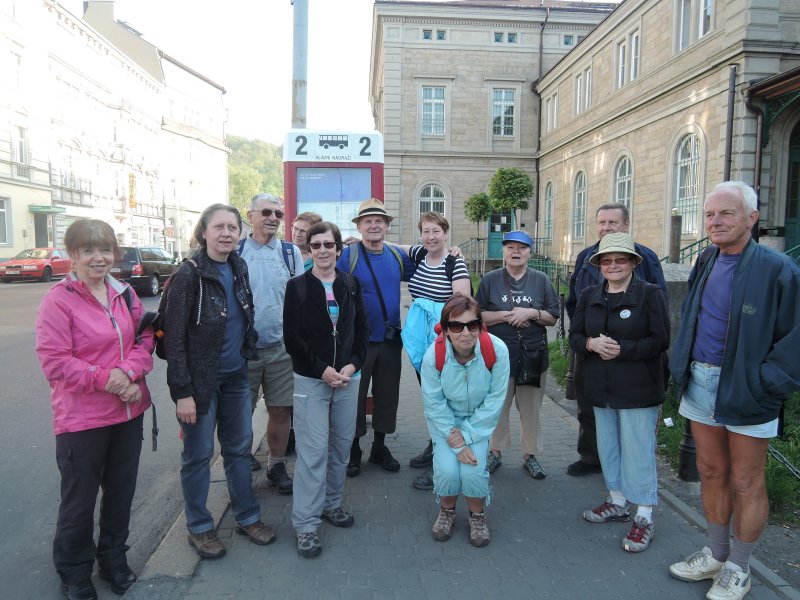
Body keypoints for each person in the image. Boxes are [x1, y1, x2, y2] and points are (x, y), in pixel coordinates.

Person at [668, 181, 800, 600]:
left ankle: (740, 568)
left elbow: (795, 338)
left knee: (746, 480)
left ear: (751, 218)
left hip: (748, 389)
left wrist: (767, 384)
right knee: (710, 471)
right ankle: (716, 553)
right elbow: (693, 316)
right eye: (709, 214)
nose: (715, 221)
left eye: (726, 213)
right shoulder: (707, 258)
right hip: (700, 382)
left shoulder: (778, 269)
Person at [35, 219, 154, 600]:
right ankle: (74, 572)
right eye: (88, 250)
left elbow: (147, 335)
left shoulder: (124, 294)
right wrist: (108, 379)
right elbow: (55, 362)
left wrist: (129, 371)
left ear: (114, 254)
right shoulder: (59, 300)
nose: (98, 258)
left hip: (127, 414)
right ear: (72, 255)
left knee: (120, 494)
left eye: (105, 250)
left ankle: (114, 561)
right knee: (79, 500)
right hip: (81, 420)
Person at [166, 203, 275, 560]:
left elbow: (245, 312)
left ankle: (246, 516)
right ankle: (199, 528)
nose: (227, 233)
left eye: (232, 227)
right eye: (219, 227)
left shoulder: (238, 265)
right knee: (198, 456)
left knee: (238, 450)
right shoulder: (189, 274)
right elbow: (174, 339)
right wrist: (182, 392)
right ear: (204, 232)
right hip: (200, 384)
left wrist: (247, 349)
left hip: (236, 377)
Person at [569, 232, 669, 553]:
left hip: (638, 388)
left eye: (620, 259)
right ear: (599, 265)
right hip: (600, 387)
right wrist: (590, 344)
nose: (613, 265)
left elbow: (660, 340)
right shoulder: (588, 295)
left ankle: (643, 517)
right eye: (607, 260)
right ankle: (617, 502)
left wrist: (623, 349)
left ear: (633, 263)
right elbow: (575, 336)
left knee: (638, 451)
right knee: (608, 447)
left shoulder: (650, 295)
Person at [283, 221, 369, 558]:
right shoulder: (298, 287)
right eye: (316, 245)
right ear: (310, 249)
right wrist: (322, 370)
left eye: (328, 245)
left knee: (340, 448)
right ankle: (306, 524)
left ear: (338, 249)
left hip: (349, 379)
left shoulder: (350, 283)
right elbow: (293, 338)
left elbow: (362, 329)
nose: (322, 251)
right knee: (313, 453)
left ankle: (331, 505)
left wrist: (351, 365)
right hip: (311, 380)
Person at [565, 203, 667, 477]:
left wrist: (623, 341)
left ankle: (632, 481)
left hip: (633, 356)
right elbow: (575, 300)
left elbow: (659, 312)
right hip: (591, 347)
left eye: (612, 222)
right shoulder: (587, 256)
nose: (606, 227)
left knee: (630, 422)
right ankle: (591, 457)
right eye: (602, 223)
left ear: (626, 224)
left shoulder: (647, 258)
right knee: (589, 406)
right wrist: (588, 335)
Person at [421, 295, 509, 547]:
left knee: (473, 470)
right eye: (457, 326)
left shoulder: (497, 351)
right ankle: (447, 511)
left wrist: (467, 436)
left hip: (479, 421)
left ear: (481, 326)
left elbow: (495, 400)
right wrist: (457, 443)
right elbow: (434, 403)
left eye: (473, 325)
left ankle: (477, 516)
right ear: (446, 330)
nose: (466, 333)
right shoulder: (433, 357)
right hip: (445, 422)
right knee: (447, 470)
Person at [337, 198, 416, 476]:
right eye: (367, 221)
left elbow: (428, 260)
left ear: (387, 226)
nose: (374, 225)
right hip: (358, 342)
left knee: (388, 394)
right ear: (359, 226)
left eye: (379, 221)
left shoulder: (396, 256)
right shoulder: (349, 256)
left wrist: (452, 252)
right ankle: (355, 448)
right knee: (355, 396)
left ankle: (379, 447)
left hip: (391, 340)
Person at [476, 230, 559, 480]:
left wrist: (531, 313)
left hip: (532, 355)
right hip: (497, 357)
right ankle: (495, 451)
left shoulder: (541, 280)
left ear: (529, 252)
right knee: (497, 408)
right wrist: (508, 315)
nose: (515, 252)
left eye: (521, 248)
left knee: (531, 408)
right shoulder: (490, 279)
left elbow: (552, 317)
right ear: (503, 251)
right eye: (510, 247)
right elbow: (477, 316)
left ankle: (530, 455)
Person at [400, 212, 471, 491]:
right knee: (432, 400)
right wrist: (356, 240)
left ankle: (444, 463)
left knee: (446, 402)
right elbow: (396, 247)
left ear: (445, 233)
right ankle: (435, 446)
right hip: (422, 343)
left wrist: (437, 322)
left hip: (445, 342)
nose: (431, 237)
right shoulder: (419, 254)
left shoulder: (455, 263)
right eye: (426, 232)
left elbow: (463, 303)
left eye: (436, 231)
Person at [240, 193, 303, 492]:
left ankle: (276, 466)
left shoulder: (291, 253)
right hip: (243, 349)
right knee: (241, 412)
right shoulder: (236, 251)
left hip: (281, 348)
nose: (272, 218)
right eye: (265, 212)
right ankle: (239, 465)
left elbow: (302, 301)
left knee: (280, 410)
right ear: (250, 215)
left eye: (278, 213)